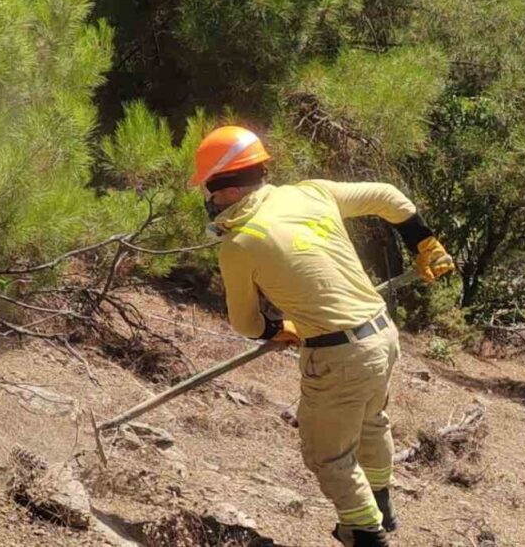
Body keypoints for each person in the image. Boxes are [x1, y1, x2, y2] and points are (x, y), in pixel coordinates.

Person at [191, 126, 455, 547]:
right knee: (371, 423)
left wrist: (280, 329)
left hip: (339, 356)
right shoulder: (309, 193)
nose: (209, 200)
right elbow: (389, 196)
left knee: (327, 456)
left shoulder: (239, 244)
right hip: (381, 335)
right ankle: (381, 513)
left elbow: (245, 324)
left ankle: (367, 536)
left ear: (224, 189)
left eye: (209, 190)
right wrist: (426, 243)